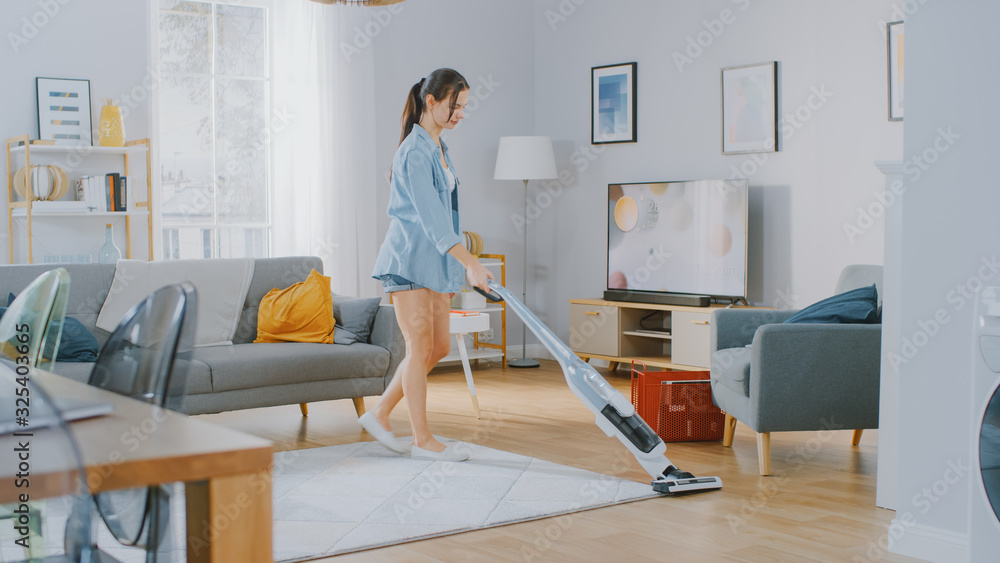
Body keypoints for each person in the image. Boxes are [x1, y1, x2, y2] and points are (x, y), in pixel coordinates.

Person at [364, 68, 493, 462]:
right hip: (408, 261)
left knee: (436, 346)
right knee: (419, 346)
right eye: (455, 106)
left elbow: (446, 214)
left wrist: (456, 266)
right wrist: (470, 263)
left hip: (434, 263)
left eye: (465, 107)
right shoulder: (414, 153)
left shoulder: (439, 147)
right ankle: (422, 439)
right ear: (431, 101)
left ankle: (379, 413)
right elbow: (432, 218)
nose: (460, 114)